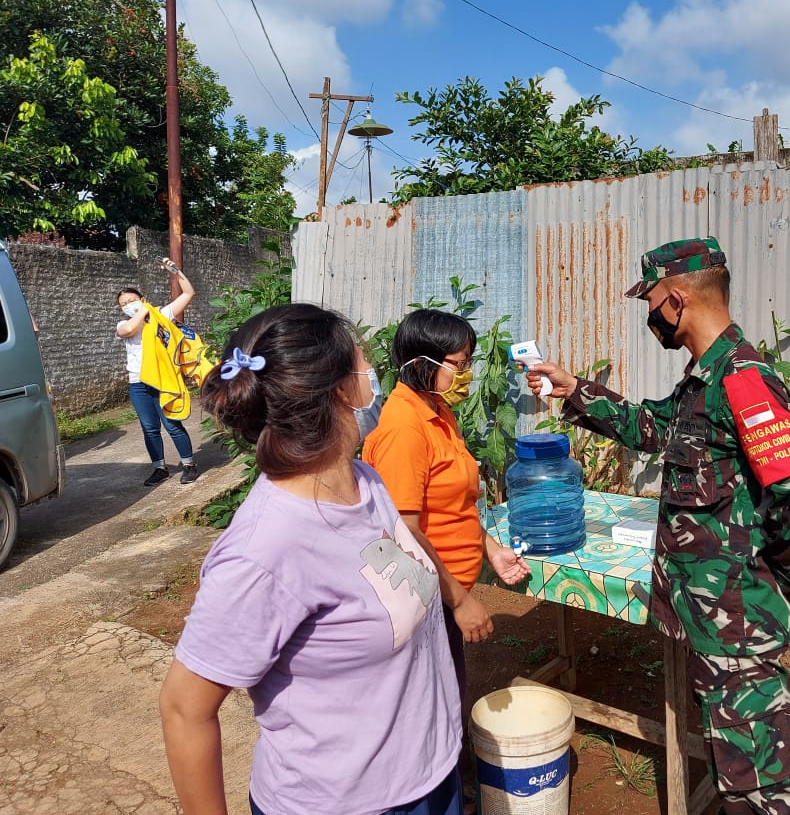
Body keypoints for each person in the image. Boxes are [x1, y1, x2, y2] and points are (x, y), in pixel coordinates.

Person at [528, 238, 790, 815]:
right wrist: (575, 391)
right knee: (736, 764)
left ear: (674, 299)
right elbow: (652, 428)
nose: (649, 317)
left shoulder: (743, 380)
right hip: (714, 614)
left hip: (738, 616)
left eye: (649, 302)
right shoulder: (706, 378)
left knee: (765, 784)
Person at [159, 304, 463, 815]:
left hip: (428, 775)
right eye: (365, 364)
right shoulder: (266, 550)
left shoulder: (366, 482)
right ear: (344, 389)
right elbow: (184, 709)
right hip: (344, 803)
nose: (375, 376)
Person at [361, 309, 531, 803]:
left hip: (446, 585)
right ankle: (436, 793)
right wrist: (458, 601)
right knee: (429, 706)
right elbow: (405, 530)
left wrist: (491, 550)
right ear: (420, 363)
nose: (467, 373)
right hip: (425, 596)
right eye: (458, 363)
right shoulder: (404, 428)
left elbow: (452, 505)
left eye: (469, 361)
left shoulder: (437, 410)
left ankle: (450, 784)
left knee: (445, 695)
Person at [115, 258, 198, 486]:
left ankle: (189, 464)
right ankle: (159, 468)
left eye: (132, 300)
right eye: (123, 304)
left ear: (142, 299)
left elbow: (189, 293)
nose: (128, 305)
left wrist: (176, 272)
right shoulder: (123, 325)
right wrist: (143, 312)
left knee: (172, 423)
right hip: (138, 384)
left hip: (162, 380)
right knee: (150, 428)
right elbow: (130, 329)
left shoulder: (162, 315)